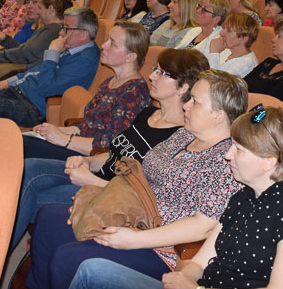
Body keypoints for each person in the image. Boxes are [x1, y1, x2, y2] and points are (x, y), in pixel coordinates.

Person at [26, 70, 247, 289]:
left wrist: (135, 239)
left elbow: (202, 226)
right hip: (130, 212)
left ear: (218, 115)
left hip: (159, 246)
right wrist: (99, 198)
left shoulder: (227, 160)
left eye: (195, 102)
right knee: (48, 220)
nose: (186, 105)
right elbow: (139, 175)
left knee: (67, 260)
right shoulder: (185, 135)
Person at [66, 105, 283, 289]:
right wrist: (182, 278)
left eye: (239, 150)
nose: (227, 156)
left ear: (269, 161)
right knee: (93, 270)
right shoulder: (243, 196)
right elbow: (202, 260)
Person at [11, 48, 200, 248]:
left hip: (109, 195)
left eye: (162, 73)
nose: (152, 76)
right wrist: (88, 161)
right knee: (28, 168)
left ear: (183, 87)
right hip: (95, 174)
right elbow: (114, 153)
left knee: (29, 197)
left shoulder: (179, 137)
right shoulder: (149, 113)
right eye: (155, 69)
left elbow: (144, 194)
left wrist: (91, 180)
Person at [24, 21, 150, 165]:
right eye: (107, 39)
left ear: (130, 57)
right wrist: (54, 131)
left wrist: (62, 139)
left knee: (23, 146)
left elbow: (112, 145)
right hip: (77, 146)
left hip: (88, 159)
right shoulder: (110, 82)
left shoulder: (133, 93)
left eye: (112, 44)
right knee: (23, 140)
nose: (103, 45)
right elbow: (89, 125)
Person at [0, 7, 101, 126]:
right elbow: (39, 69)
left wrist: (52, 53)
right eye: (62, 28)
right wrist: (11, 82)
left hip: (30, 109)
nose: (61, 33)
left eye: (66, 28)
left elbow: (46, 89)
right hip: (18, 91)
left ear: (84, 34)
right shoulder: (73, 47)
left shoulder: (84, 62)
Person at [207, 13, 260, 77]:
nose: (222, 33)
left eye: (229, 31)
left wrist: (214, 53)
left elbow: (212, 82)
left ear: (243, 39)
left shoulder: (245, 64)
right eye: (225, 28)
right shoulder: (227, 51)